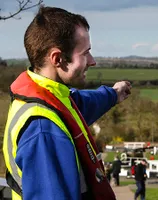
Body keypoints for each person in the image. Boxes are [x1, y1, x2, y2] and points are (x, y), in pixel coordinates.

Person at [2, 6, 132, 200]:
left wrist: (113, 94)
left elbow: (80, 104)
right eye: (85, 52)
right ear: (58, 58)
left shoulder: (48, 96)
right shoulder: (43, 129)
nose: (92, 61)